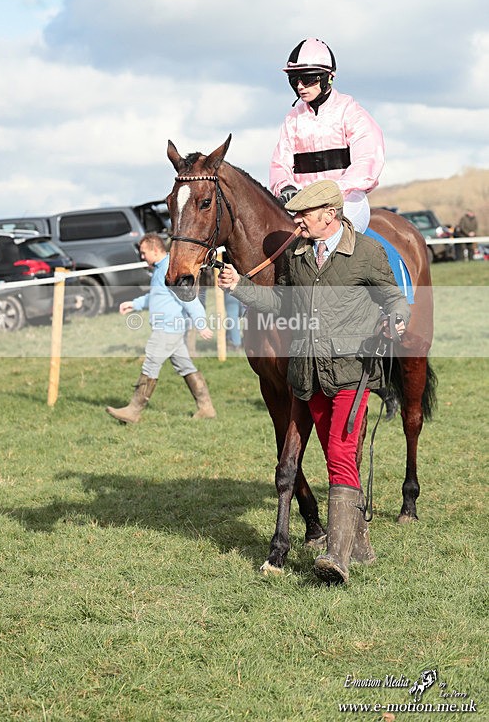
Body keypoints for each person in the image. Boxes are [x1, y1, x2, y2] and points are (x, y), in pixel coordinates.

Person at [218, 180, 409, 585]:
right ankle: (359, 543)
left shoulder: (366, 253)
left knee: (340, 451)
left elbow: (393, 297)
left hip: (351, 371)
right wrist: (239, 287)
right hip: (309, 373)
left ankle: (336, 556)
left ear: (330, 214)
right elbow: (281, 303)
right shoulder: (300, 258)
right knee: (331, 450)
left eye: (304, 213)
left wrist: (397, 317)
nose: (297, 220)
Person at [269, 38, 385, 233]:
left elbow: (367, 162)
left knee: (332, 237)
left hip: (346, 202)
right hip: (302, 205)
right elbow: (280, 163)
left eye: (307, 79)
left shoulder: (352, 113)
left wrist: (329, 194)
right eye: (294, 80)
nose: (300, 86)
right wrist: (285, 187)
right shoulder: (292, 119)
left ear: (327, 78)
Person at [106, 234, 216, 423]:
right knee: (185, 367)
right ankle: (206, 408)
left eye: (144, 253)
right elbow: (157, 296)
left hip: (167, 330)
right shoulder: (160, 270)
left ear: (155, 250)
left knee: (151, 364)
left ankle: (133, 411)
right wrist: (134, 304)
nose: (142, 257)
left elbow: (188, 297)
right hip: (171, 329)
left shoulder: (168, 268)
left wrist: (201, 323)